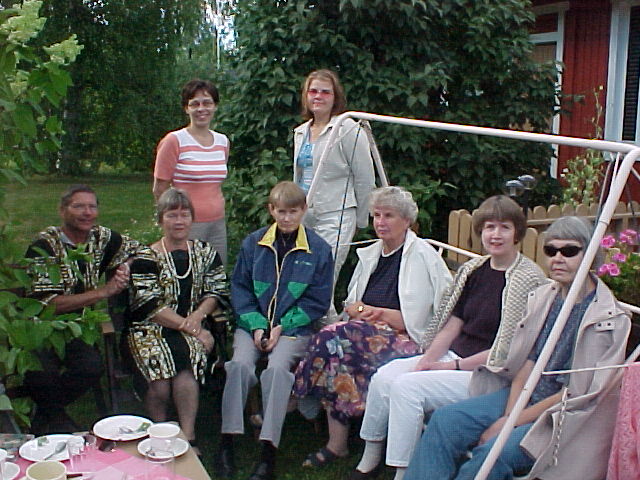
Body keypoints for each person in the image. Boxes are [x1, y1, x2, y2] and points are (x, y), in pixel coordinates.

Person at [405, 216, 631, 480]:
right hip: (522, 394)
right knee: (445, 421)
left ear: (591, 256)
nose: (558, 258)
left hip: (560, 416)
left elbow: (574, 393)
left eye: (569, 251)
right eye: (551, 250)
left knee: (493, 455)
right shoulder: (545, 297)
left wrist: (511, 423)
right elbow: (528, 361)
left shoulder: (607, 320)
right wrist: (510, 415)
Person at [351, 195, 547, 480]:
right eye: (489, 227)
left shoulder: (527, 279)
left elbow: (510, 349)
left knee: (407, 388)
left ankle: (403, 471)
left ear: (517, 232)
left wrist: (450, 366)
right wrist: (427, 360)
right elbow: (453, 323)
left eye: (504, 227)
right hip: (452, 357)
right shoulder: (475, 270)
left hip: (486, 373)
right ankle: (369, 458)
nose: (495, 235)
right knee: (385, 377)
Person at [294, 186, 452, 469]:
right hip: (363, 334)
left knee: (333, 339)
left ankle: (297, 398)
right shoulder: (372, 254)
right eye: (377, 215)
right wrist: (360, 311)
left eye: (388, 215)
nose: (380, 222)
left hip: (406, 340)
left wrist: (379, 313)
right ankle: (338, 443)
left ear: (406, 220)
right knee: (337, 353)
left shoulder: (422, 256)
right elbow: (352, 304)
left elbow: (428, 318)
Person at [215, 181, 334, 480]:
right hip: (252, 325)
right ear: (271, 210)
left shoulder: (319, 249)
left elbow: (318, 300)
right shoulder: (254, 244)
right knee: (239, 366)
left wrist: (283, 326)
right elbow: (240, 288)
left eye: (293, 212)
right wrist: (257, 326)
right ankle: (227, 441)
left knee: (278, 370)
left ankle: (268, 450)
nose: (287, 218)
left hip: (294, 328)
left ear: (303, 211)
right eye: (281, 212)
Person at [25, 184, 139, 435]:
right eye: (79, 206)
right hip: (41, 327)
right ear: (63, 210)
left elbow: (140, 249)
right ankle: (56, 418)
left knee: (90, 366)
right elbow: (47, 304)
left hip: (79, 327)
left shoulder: (101, 238)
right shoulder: (44, 247)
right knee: (40, 371)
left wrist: (126, 266)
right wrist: (103, 292)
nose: (87, 213)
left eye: (92, 207)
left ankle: (46, 415)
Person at [125, 188, 228, 451]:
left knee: (187, 366)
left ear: (192, 219)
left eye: (184, 215)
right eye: (172, 215)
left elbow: (216, 290)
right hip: (150, 328)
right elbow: (150, 305)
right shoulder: (146, 257)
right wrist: (194, 329)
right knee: (160, 382)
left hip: (192, 324)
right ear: (160, 220)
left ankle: (187, 437)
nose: (179, 221)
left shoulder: (205, 252)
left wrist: (197, 317)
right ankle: (160, 436)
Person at [293, 69, 376, 320]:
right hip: (306, 215)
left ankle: (331, 336)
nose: (318, 96)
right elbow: (298, 176)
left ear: (335, 97)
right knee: (303, 278)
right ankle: (315, 333)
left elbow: (365, 177)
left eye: (325, 92)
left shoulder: (347, 129)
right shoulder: (301, 131)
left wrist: (361, 220)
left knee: (322, 282)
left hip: (336, 214)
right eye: (313, 91)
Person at [153, 78, 230, 265]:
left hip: (217, 223)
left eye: (207, 103)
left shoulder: (222, 141)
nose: (201, 109)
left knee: (216, 273)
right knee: (187, 273)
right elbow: (160, 188)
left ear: (215, 106)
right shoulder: (174, 141)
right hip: (186, 225)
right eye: (195, 104)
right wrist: (172, 221)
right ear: (186, 109)